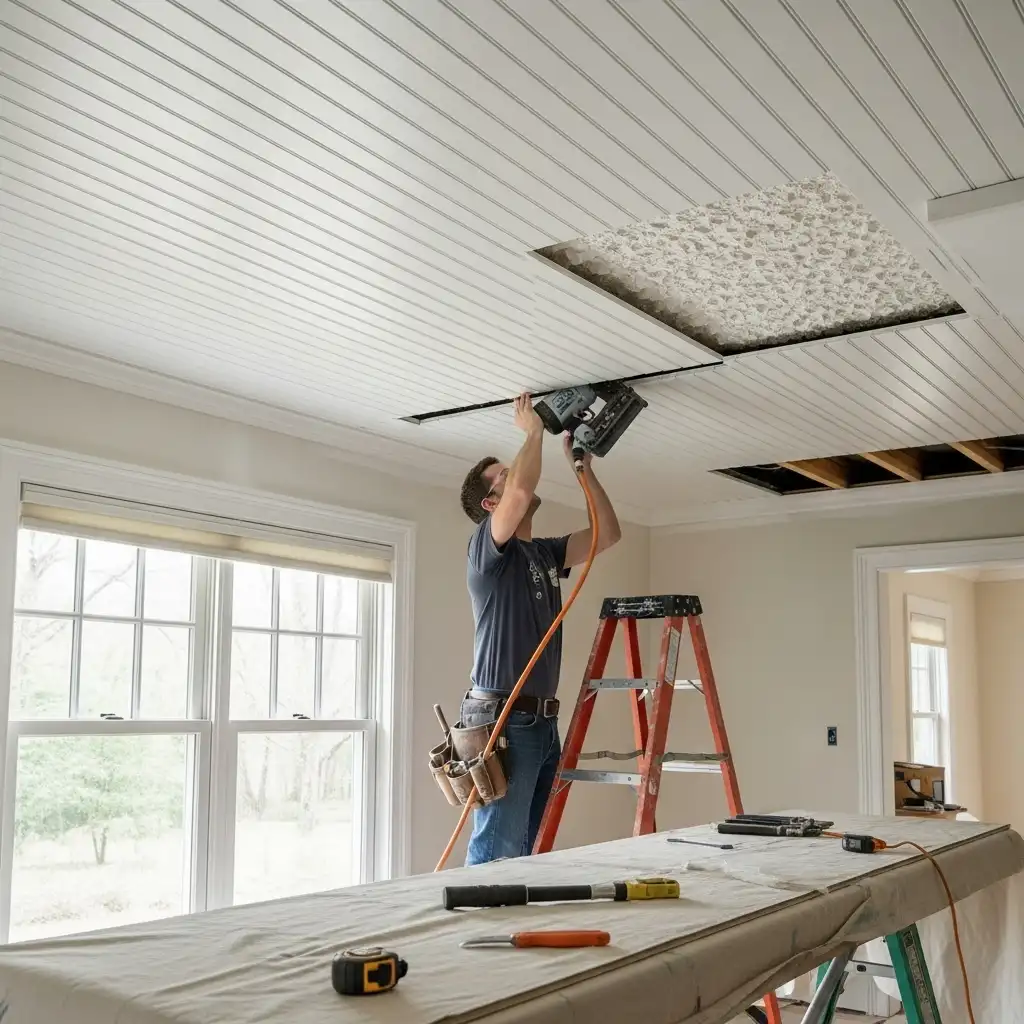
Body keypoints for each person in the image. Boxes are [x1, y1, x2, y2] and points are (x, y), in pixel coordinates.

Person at [457, 392, 622, 865]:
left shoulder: (543, 554)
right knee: (497, 849)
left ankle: (512, 924)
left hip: (541, 721)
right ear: (492, 503)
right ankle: (475, 928)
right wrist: (534, 431)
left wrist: (584, 470)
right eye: (503, 477)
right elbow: (523, 493)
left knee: (529, 850)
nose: (517, 476)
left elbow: (607, 535)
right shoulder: (486, 552)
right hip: (504, 719)